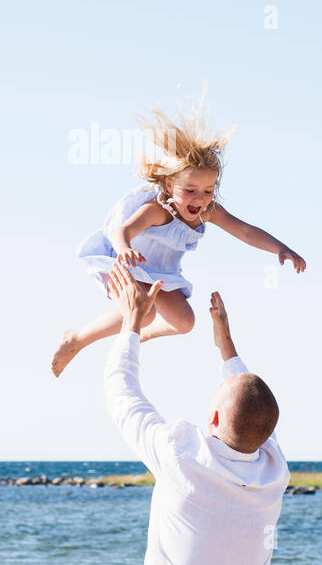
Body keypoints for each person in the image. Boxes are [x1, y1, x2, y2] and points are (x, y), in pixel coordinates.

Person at [52, 103, 305, 376]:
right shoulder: (158, 210)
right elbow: (121, 231)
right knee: (145, 312)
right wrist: (124, 248)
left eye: (208, 190)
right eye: (191, 190)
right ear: (170, 186)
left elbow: (244, 231)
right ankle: (76, 339)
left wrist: (281, 248)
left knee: (185, 322)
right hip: (125, 264)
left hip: (161, 272)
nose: (200, 198)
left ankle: (142, 332)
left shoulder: (208, 212)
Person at [102, 261, 289, 565]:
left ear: (213, 417)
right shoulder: (274, 472)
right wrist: (225, 344)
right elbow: (253, 409)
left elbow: (123, 395)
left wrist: (132, 319)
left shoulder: (181, 455)